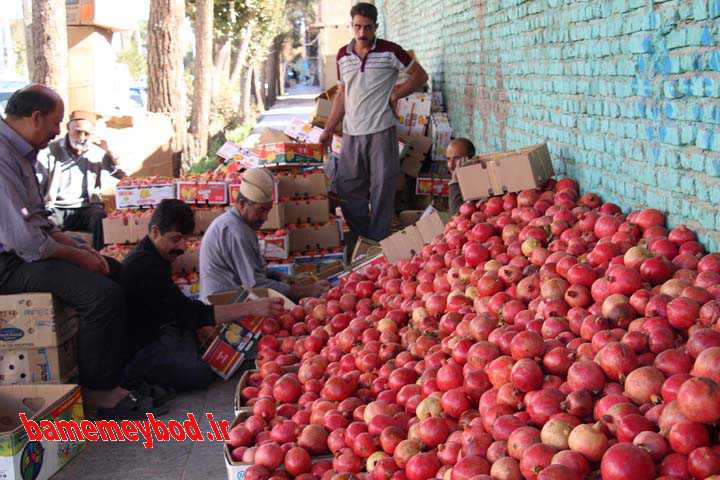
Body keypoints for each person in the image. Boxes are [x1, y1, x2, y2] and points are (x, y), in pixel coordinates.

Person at [0, 84, 160, 419]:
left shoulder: (20, 151)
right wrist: (75, 256)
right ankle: (97, 392)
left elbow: (39, 218)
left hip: (25, 252)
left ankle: (120, 370)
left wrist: (74, 243)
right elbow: (26, 243)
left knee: (118, 272)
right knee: (101, 297)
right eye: (55, 123)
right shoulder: (3, 157)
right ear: (35, 117)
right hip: (9, 264)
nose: (57, 131)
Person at [120, 199, 284, 391]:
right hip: (143, 344)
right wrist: (250, 308)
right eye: (176, 239)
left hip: (161, 328)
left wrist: (199, 326)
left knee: (206, 352)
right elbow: (187, 313)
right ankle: (136, 376)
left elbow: (176, 307)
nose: (183, 247)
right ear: (155, 232)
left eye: (186, 239)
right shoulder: (143, 267)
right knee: (201, 374)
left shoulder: (154, 256)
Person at [318, 2, 428, 241]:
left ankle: (378, 241)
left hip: (382, 131)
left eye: (367, 28)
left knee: (383, 187)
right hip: (352, 133)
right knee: (348, 188)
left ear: (375, 27)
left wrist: (397, 93)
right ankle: (362, 237)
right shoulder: (342, 56)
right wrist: (328, 129)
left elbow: (420, 75)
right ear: (352, 25)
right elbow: (342, 94)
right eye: (357, 27)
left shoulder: (391, 51)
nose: (362, 33)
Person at [200, 167, 329, 303]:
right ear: (243, 204)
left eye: (268, 211)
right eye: (261, 210)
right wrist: (304, 291)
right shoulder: (236, 232)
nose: (265, 217)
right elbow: (256, 285)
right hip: (223, 307)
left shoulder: (238, 225)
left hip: (236, 300)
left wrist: (277, 275)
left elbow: (250, 270)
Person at [36, 110, 125, 251]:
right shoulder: (50, 149)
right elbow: (38, 183)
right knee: (45, 225)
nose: (82, 137)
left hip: (87, 206)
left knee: (100, 218)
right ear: (68, 129)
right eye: (77, 132)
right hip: (57, 207)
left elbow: (122, 176)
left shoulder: (97, 151)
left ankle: (101, 257)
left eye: (87, 133)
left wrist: (110, 152)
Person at [446, 138, 476, 215]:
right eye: (448, 159)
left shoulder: (477, 181)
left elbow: (456, 214)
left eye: (457, 158)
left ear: (470, 159)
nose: (450, 165)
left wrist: (455, 181)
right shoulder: (460, 182)